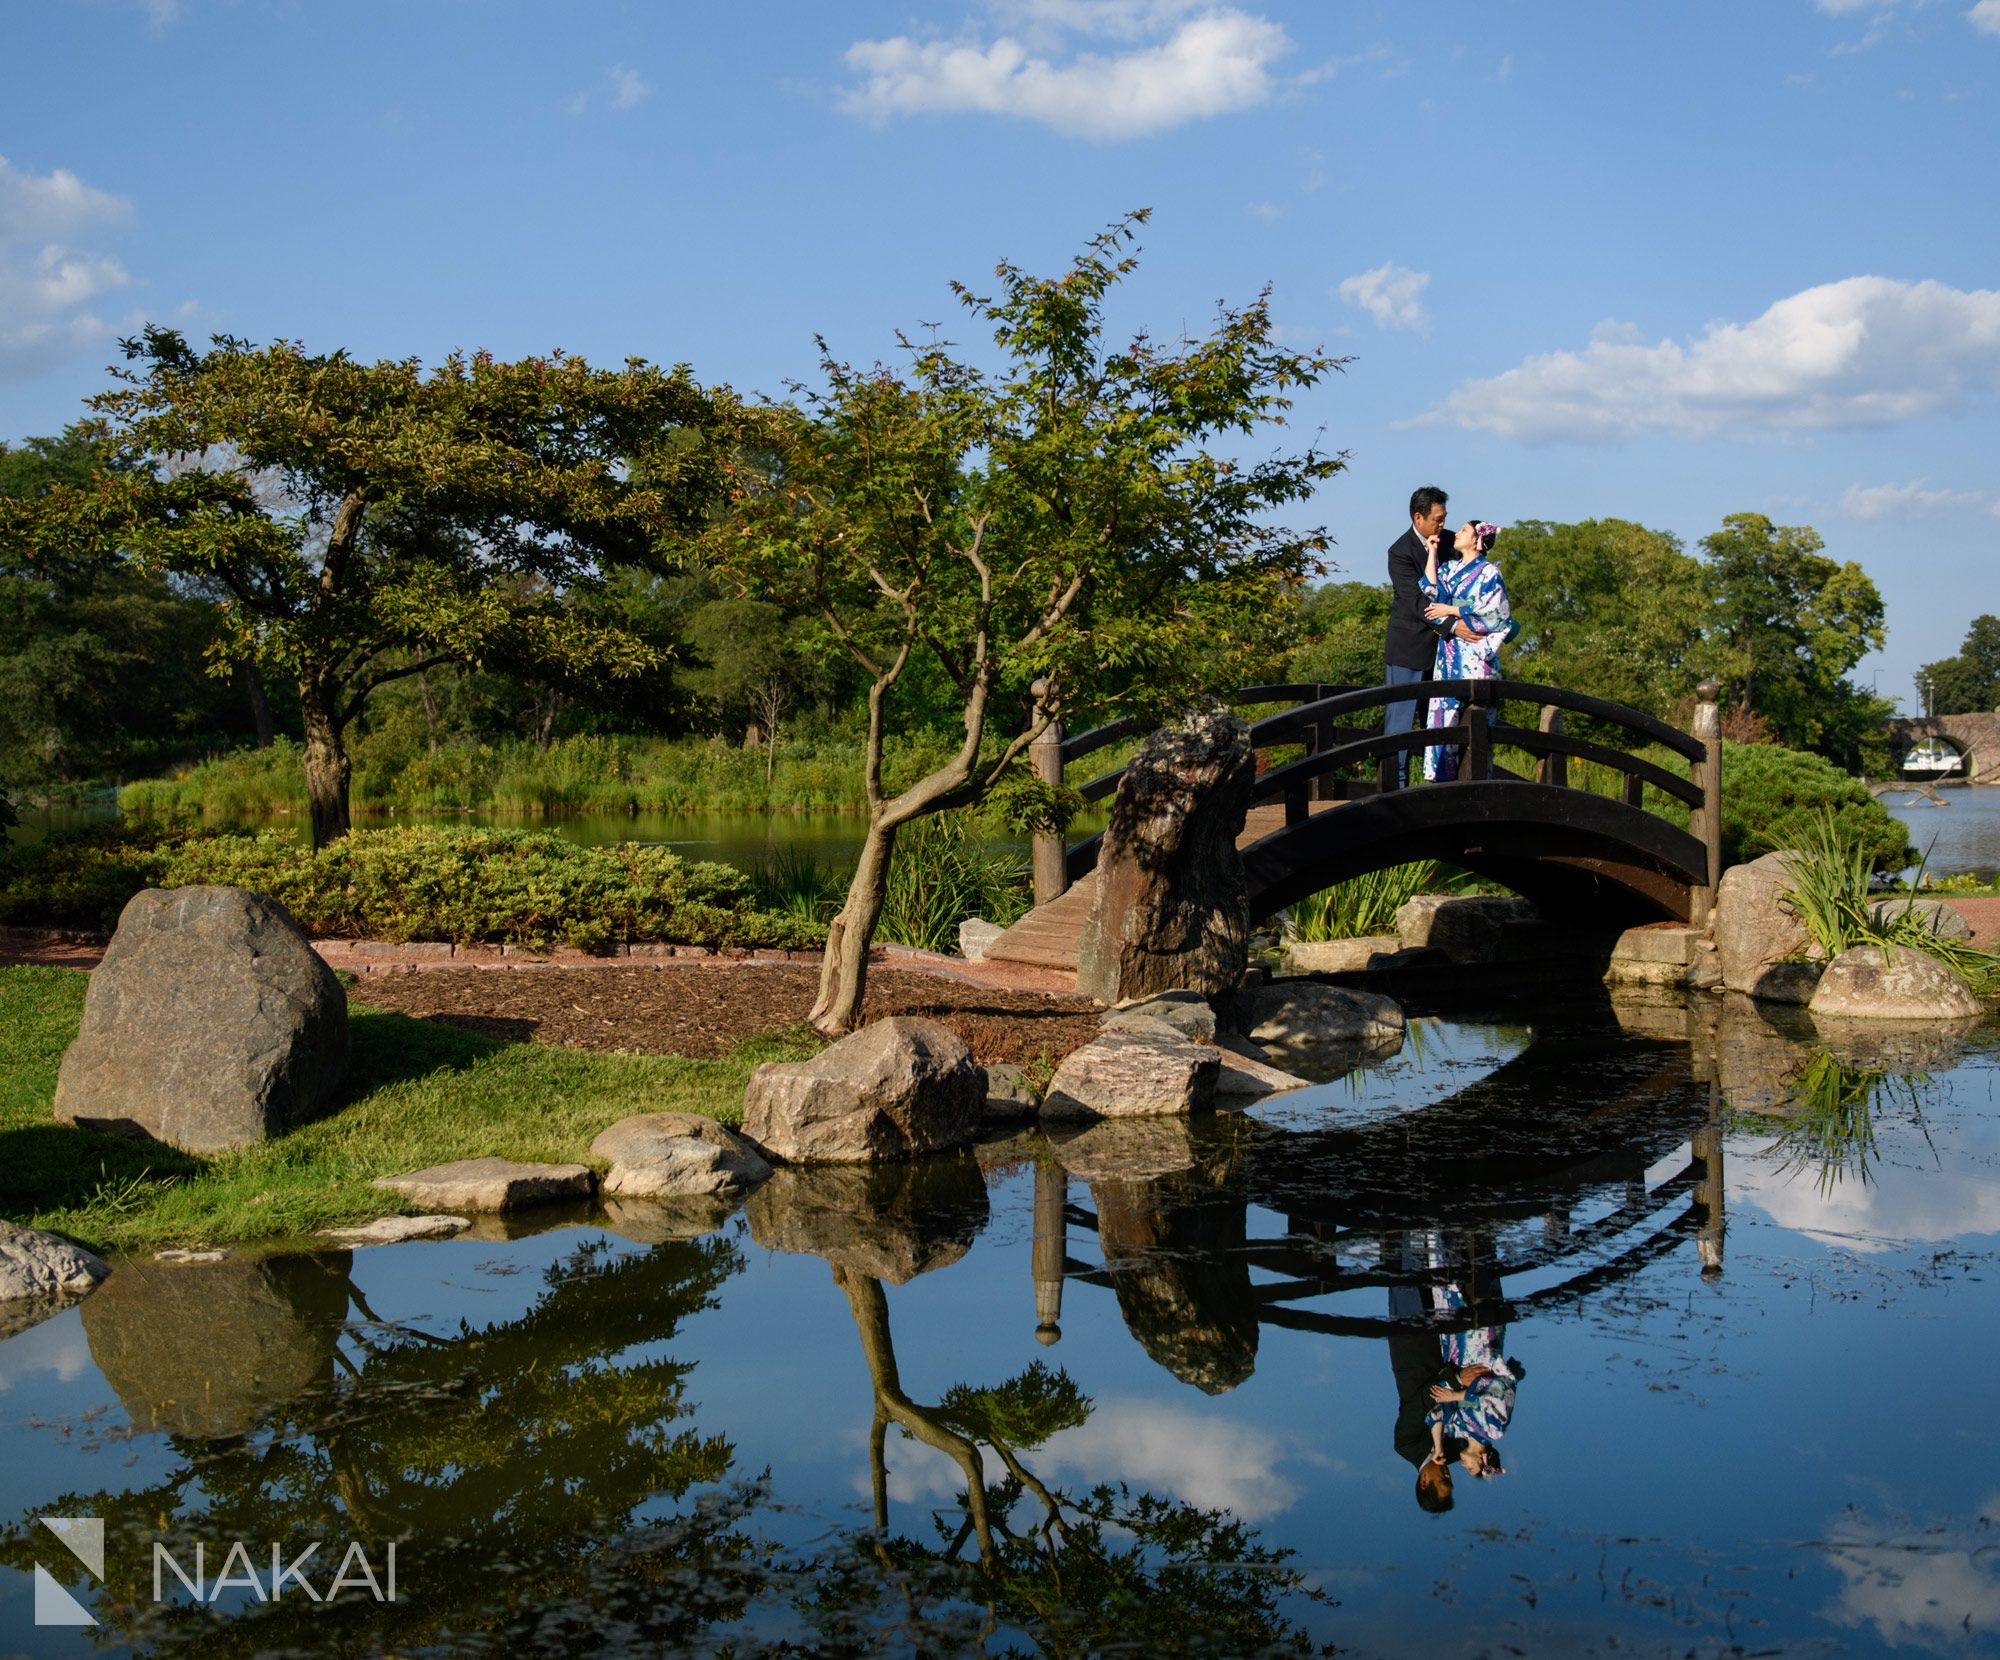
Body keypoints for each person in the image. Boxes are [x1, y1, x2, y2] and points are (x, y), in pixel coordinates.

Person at [1385, 487, 1483, 787]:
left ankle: (1440, 793)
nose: (1442, 524)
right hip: (1409, 650)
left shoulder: (1452, 543)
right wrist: (1453, 626)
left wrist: (1466, 613)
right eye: (1437, 519)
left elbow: (1473, 586)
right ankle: (1394, 793)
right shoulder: (1399, 552)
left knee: (1444, 726)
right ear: (1419, 517)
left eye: (1444, 518)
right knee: (1399, 729)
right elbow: (1417, 602)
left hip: (1446, 655)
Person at [1419, 520, 1516, 782]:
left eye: (1464, 530)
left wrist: (1452, 610)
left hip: (1475, 657)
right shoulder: (1450, 568)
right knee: (1443, 722)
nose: (1457, 533)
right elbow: (1431, 589)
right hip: (1449, 655)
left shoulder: (1490, 573)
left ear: (1476, 541)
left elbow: (1498, 614)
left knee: (1476, 732)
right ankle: (1442, 786)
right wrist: (1432, 552)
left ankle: (1475, 790)